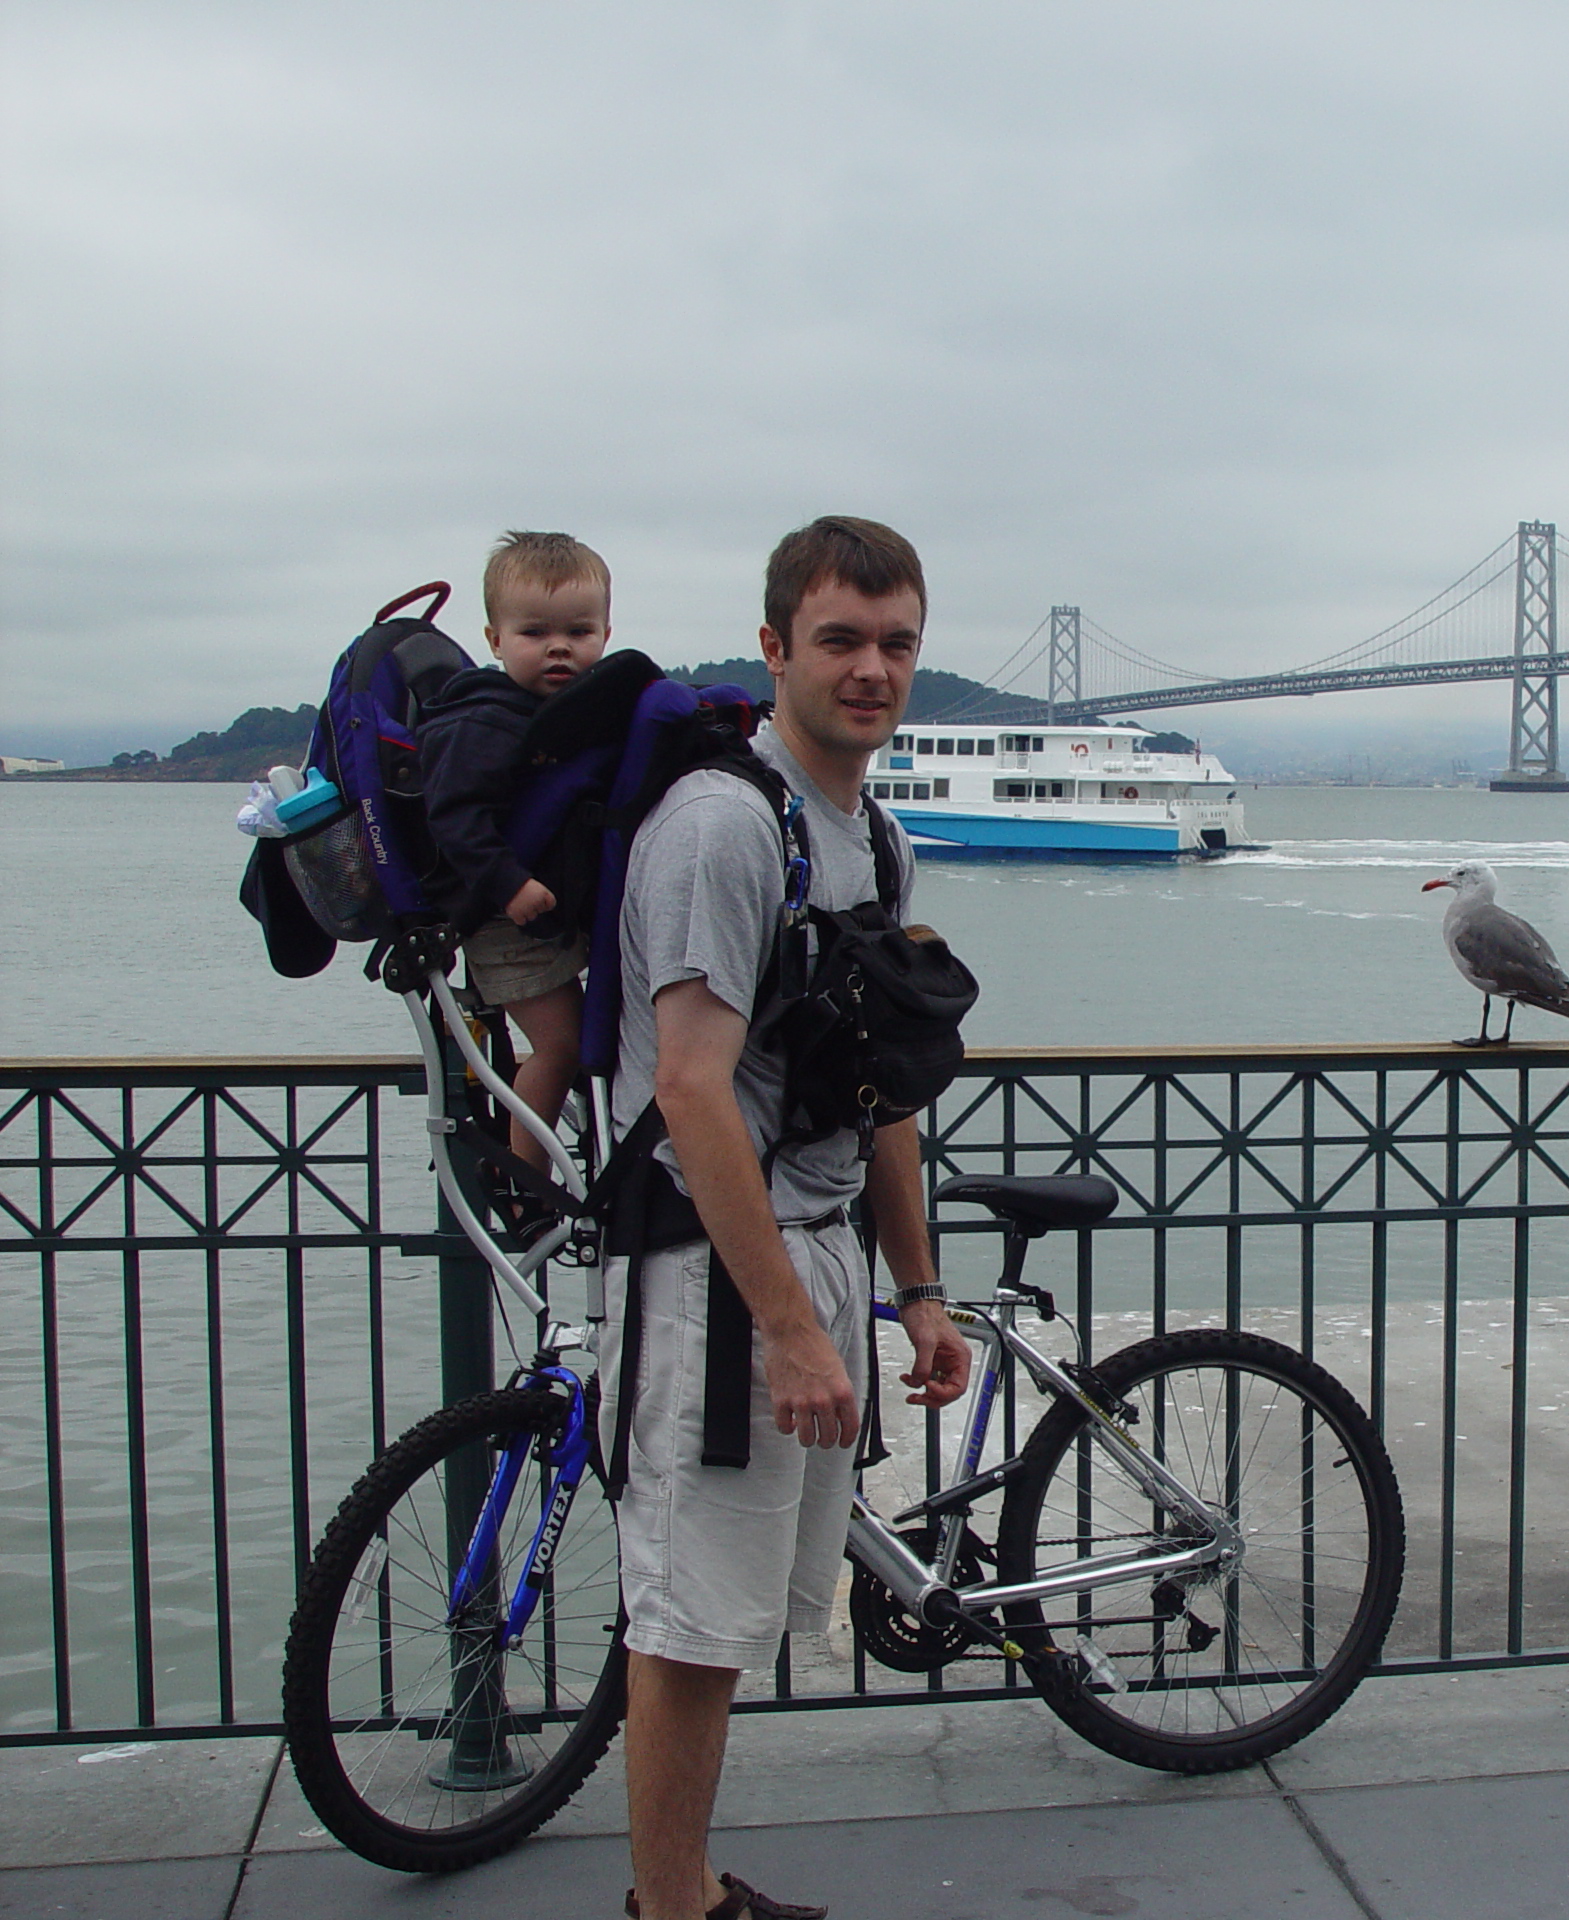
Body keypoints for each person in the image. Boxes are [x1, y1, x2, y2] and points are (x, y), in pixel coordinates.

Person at [602, 516, 970, 1920]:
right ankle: (669, 1909)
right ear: (773, 650)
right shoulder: (720, 827)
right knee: (692, 1622)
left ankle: (686, 1885)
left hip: (808, 1258)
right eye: (840, 641)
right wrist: (788, 1329)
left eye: (896, 644)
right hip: (714, 1274)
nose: (871, 669)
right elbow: (693, 1093)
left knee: (740, 1612)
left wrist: (915, 1293)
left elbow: (879, 1087)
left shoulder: (871, 838)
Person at [419, 530, 610, 1170]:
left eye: (578, 631)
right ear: (494, 640)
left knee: (594, 1033)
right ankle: (521, 1175)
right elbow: (453, 816)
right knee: (561, 1045)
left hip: (547, 914)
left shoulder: (563, 714)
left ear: (606, 635)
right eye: (535, 634)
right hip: (505, 919)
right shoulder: (482, 721)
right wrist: (508, 883)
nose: (559, 647)